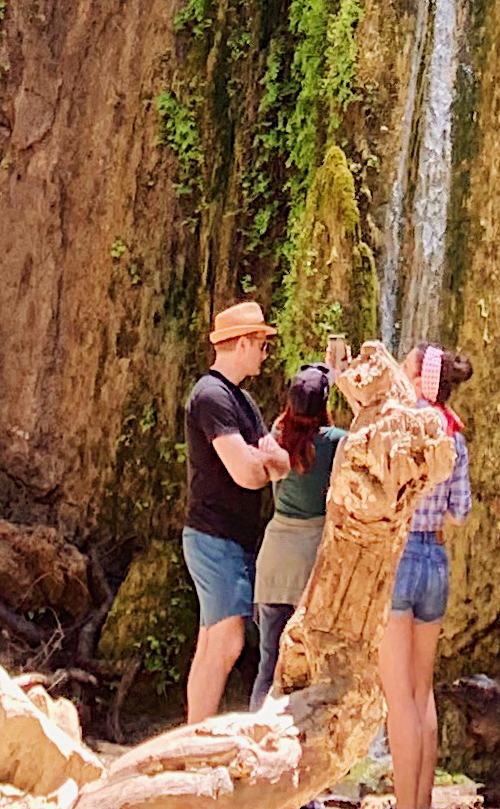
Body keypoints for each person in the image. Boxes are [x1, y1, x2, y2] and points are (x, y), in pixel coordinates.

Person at [181, 297, 290, 719]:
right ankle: (196, 738)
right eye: (262, 343)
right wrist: (265, 464)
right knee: (226, 640)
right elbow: (248, 472)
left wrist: (265, 462)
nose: (265, 352)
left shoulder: (242, 401)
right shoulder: (211, 397)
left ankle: (194, 734)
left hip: (229, 538)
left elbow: (273, 459)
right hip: (213, 537)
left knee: (214, 639)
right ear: (242, 343)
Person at [380, 343, 471, 809]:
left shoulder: (402, 425)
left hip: (398, 557)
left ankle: (403, 806)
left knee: (399, 699)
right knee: (422, 690)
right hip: (435, 557)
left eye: (407, 364)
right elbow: (459, 513)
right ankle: (421, 803)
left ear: (419, 379)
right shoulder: (453, 434)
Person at [254, 354, 343, 701]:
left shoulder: (277, 435)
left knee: (267, 667)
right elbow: (370, 432)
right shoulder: (336, 441)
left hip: (274, 560)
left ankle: (254, 738)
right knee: (308, 672)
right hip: (311, 565)